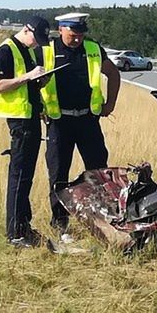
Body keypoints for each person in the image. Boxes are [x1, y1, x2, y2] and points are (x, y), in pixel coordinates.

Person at [42, 12, 121, 237]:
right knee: (58, 173)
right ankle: (60, 224)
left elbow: (113, 74)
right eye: (72, 35)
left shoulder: (92, 48)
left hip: (88, 120)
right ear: (61, 30)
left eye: (80, 35)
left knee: (98, 171)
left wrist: (110, 104)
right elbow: (32, 81)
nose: (77, 39)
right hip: (59, 121)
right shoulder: (47, 50)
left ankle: (103, 219)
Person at [0, 15, 51, 247]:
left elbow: (25, 86)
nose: (37, 43)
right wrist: (27, 76)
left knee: (26, 177)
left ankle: (24, 226)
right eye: (36, 38)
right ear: (27, 30)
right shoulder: (5, 51)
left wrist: (39, 81)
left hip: (30, 117)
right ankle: (15, 232)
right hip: (19, 121)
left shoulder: (26, 51)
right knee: (19, 177)